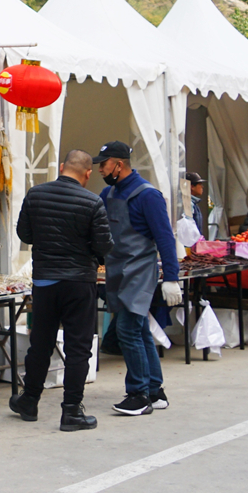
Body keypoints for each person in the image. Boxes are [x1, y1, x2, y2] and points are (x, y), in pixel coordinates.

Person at [10, 149, 110, 431]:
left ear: (63, 166)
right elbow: (104, 246)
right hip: (79, 282)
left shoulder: (36, 195)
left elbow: (24, 234)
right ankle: (71, 412)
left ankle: (29, 401)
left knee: (40, 343)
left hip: (45, 281)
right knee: (78, 348)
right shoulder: (93, 202)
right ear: (88, 174)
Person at [95, 141, 180, 417]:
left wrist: (172, 277)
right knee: (140, 331)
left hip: (141, 271)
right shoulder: (107, 194)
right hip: (117, 270)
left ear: (118, 164)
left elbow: (165, 238)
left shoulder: (148, 195)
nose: (100, 169)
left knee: (128, 331)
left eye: (104, 164)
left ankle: (138, 394)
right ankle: (155, 391)